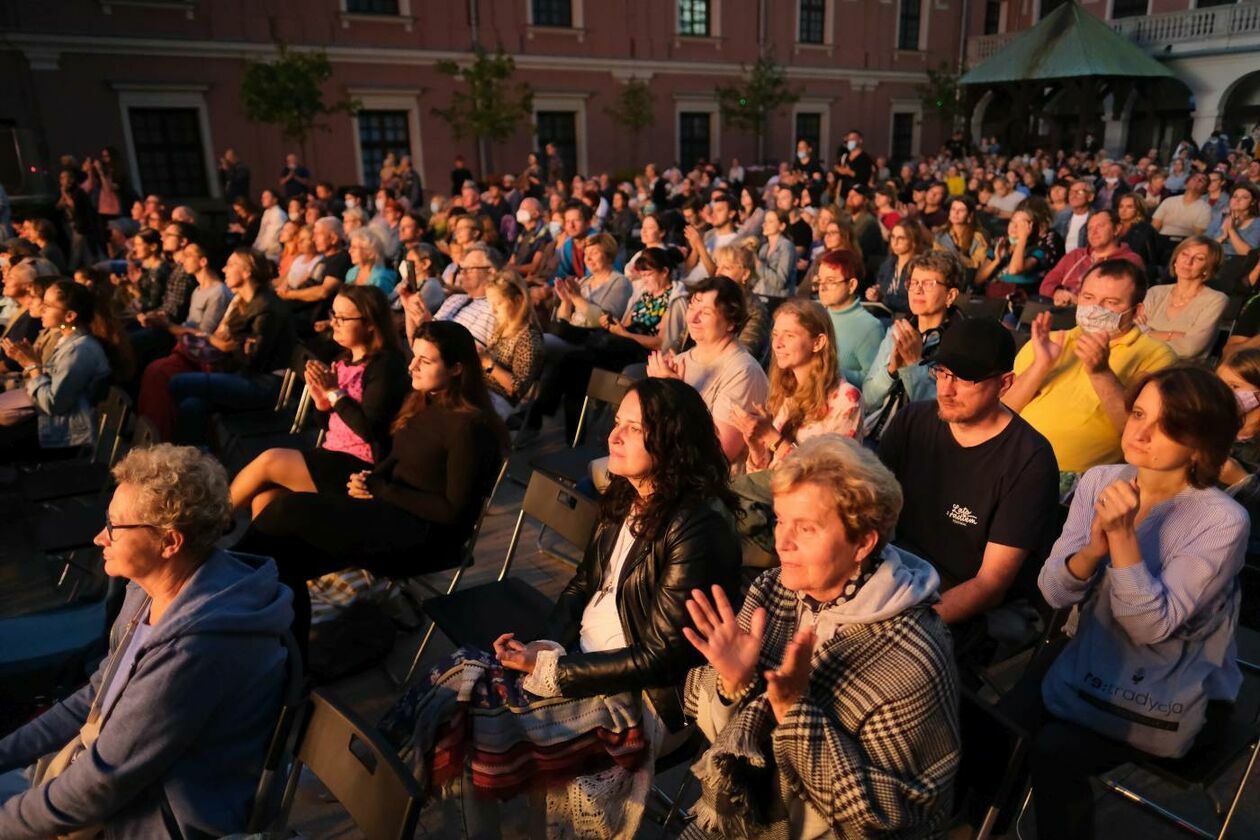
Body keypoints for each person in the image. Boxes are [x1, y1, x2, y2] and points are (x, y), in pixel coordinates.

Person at [379, 377, 741, 838]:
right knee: (461, 688)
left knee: (465, 720)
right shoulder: (628, 495)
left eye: (635, 427)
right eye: (616, 423)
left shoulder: (697, 528)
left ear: (672, 439)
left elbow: (659, 657)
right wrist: (544, 644)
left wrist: (553, 671)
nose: (614, 435)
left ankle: (390, 771)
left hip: (642, 700)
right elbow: (583, 584)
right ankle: (392, 770)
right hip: (579, 659)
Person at [0, 445, 292, 838]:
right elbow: (98, 695)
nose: (100, 536)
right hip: (117, 786)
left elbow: (101, 785)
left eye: (116, 527)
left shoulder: (198, 648)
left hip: (155, 820)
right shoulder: (150, 589)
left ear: (169, 542)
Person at [682, 435, 959, 839]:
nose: (782, 542)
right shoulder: (773, 589)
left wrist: (794, 712)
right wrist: (731, 683)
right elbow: (718, 732)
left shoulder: (915, 655)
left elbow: (885, 817)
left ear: (863, 542)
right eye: (780, 520)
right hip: (745, 810)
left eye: (806, 528)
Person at [1023, 366, 1247, 839]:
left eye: (1167, 427)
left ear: (1201, 446)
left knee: (1050, 749)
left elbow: (1149, 627)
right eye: (1139, 413)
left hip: (1172, 687)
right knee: (992, 722)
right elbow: (1053, 592)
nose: (1141, 433)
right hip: (1091, 657)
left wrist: (1123, 536)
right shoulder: (1102, 479)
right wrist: (1091, 552)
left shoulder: (1222, 519)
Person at [235, 320, 508, 652]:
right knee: (283, 555)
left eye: (426, 360)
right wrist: (371, 480)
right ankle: (285, 658)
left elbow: (454, 514)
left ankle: (223, 583)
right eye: (414, 356)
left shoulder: (470, 428)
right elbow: (398, 459)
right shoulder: (424, 401)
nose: (413, 365)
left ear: (455, 368)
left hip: (424, 537)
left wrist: (383, 490)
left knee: (289, 510)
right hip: (390, 508)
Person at [878, 318, 1059, 628]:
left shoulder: (1030, 460)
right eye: (942, 373)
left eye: (965, 379)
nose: (946, 389)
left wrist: (909, 627)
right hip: (890, 567)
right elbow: (868, 507)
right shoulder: (913, 420)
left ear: (1004, 384)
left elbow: (989, 585)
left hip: (951, 598)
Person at [230, 285, 409, 518]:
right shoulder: (343, 358)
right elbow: (332, 426)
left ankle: (208, 521)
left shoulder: (386, 366)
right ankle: (262, 552)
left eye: (343, 318)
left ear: (371, 324)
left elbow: (369, 430)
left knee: (269, 461)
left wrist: (334, 392)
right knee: (265, 500)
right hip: (332, 453)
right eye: (334, 315)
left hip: (361, 469)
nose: (334, 323)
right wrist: (322, 403)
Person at [1003, 259, 1177, 475]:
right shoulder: (1051, 340)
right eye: (1088, 298)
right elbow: (1002, 411)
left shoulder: (1156, 355)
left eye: (1111, 302)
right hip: (1008, 460)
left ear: (1136, 310)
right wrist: (1040, 366)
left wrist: (1101, 372)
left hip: (1074, 479)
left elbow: (1137, 433)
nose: (1095, 308)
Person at [149, 249, 295, 443]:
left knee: (178, 383)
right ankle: (195, 460)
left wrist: (229, 346)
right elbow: (224, 341)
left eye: (231, 264)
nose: (224, 269)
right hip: (242, 374)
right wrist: (225, 344)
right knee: (191, 406)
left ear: (247, 271)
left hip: (264, 384)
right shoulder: (242, 301)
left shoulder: (266, 307)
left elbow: (252, 359)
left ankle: (195, 456)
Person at [648, 275, 769, 466]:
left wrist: (674, 394)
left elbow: (719, 455)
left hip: (707, 482)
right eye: (691, 308)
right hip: (667, 464)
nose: (693, 318)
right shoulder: (679, 361)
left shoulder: (743, 372)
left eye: (705, 313)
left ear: (731, 322)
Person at [732, 298, 863, 473]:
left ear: (818, 343)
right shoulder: (785, 392)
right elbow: (761, 476)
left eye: (789, 335)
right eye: (775, 335)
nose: (777, 344)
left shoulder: (846, 400)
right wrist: (756, 446)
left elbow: (829, 479)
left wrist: (773, 438)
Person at [0, 280, 111, 460]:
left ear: (69, 316)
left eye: (48, 305)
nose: (42, 309)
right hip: (53, 424)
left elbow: (53, 404)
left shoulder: (79, 350)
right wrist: (33, 363)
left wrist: (32, 366)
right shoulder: (67, 340)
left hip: (63, 436)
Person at [863, 251, 964, 438]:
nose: (918, 290)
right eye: (914, 283)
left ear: (950, 295)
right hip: (875, 432)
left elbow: (942, 413)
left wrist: (913, 365)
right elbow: (868, 400)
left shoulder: (960, 343)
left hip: (921, 441)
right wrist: (891, 370)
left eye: (928, 284)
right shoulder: (897, 331)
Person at [1138, 235, 1229, 359]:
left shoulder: (1216, 300)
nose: (1188, 262)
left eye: (1199, 258)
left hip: (1182, 372)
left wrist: (1147, 333)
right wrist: (1172, 335)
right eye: (1184, 254)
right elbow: (1132, 333)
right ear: (1175, 259)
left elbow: (1189, 349)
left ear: (1208, 269)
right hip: (1142, 361)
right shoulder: (1155, 292)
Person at [404, 241, 498, 348]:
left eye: (470, 268)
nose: (462, 272)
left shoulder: (493, 309)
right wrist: (408, 307)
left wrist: (428, 325)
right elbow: (415, 345)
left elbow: (468, 357)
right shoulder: (454, 300)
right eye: (462, 268)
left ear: (491, 272)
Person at [1039, 210, 1144, 303]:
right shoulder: (1075, 255)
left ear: (1116, 229)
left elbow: (1119, 300)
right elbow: (1046, 285)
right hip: (1063, 311)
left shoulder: (1130, 261)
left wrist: (1079, 301)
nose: (1093, 232)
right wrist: (1057, 292)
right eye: (1090, 228)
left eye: (1100, 226)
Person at [814, 248, 884, 386]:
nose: (822, 288)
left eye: (830, 281)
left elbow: (875, 383)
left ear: (851, 285)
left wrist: (833, 372)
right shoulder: (816, 315)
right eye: (820, 281)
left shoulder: (869, 327)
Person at [480, 270, 544, 419]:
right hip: (484, 390)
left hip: (502, 400)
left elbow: (517, 388)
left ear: (518, 300)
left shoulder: (528, 337)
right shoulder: (502, 327)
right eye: (491, 304)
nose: (493, 310)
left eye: (499, 303)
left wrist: (487, 362)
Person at [713, 240, 770, 359]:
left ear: (745, 274)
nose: (717, 273)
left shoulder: (755, 311)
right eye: (717, 267)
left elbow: (744, 353)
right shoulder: (709, 300)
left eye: (726, 268)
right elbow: (683, 340)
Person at [975, 207, 1050, 298]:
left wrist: (1023, 237)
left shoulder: (1037, 251)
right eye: (1012, 222)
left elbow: (1014, 270)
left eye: (1021, 224)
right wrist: (996, 260)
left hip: (1019, 299)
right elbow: (978, 280)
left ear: (1030, 228)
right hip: (993, 296)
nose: (1014, 226)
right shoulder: (999, 246)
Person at [865, 220, 929, 315]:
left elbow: (916, 302)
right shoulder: (887, 264)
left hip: (907, 318)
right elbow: (879, 289)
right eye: (893, 237)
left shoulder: (920, 268)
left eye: (901, 238)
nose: (895, 242)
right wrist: (873, 294)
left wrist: (884, 299)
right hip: (883, 314)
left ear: (913, 241)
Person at [935, 196, 989, 271]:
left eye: (962, 210)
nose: (956, 213)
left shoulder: (978, 237)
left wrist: (956, 256)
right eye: (953, 209)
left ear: (970, 215)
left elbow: (978, 265)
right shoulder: (941, 235)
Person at [1152, 172, 1210, 239]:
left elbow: (1198, 235)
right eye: (1194, 178)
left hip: (1186, 243)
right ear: (1186, 183)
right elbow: (1154, 227)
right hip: (1162, 239)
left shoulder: (1205, 209)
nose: (1197, 181)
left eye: (1202, 180)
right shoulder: (1169, 201)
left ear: (1205, 189)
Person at [344, 227, 399, 296]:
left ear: (370, 252)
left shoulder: (382, 278)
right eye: (350, 247)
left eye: (354, 247)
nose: (349, 251)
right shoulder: (351, 273)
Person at [756, 209, 797, 296]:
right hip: (761, 295)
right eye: (765, 221)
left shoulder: (786, 247)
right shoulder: (764, 248)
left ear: (782, 226)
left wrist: (758, 265)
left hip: (778, 299)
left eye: (770, 221)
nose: (765, 225)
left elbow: (780, 282)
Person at [1116, 192, 1159, 269]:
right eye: (1121, 206)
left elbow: (1152, 258)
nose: (1123, 210)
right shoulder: (1112, 225)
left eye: (1129, 207)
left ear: (1138, 210)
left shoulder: (1145, 229)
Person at [1052, 180, 1093, 254]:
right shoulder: (1061, 218)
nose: (1073, 196)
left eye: (1079, 192)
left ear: (1090, 197)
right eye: (1071, 193)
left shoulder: (1096, 218)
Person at [254, 189, 288, 262]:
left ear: (275, 199)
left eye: (266, 197)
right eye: (262, 197)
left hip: (272, 253)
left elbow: (273, 236)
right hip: (262, 251)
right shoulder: (266, 212)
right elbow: (261, 233)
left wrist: (259, 250)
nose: (263, 199)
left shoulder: (279, 214)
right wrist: (254, 248)